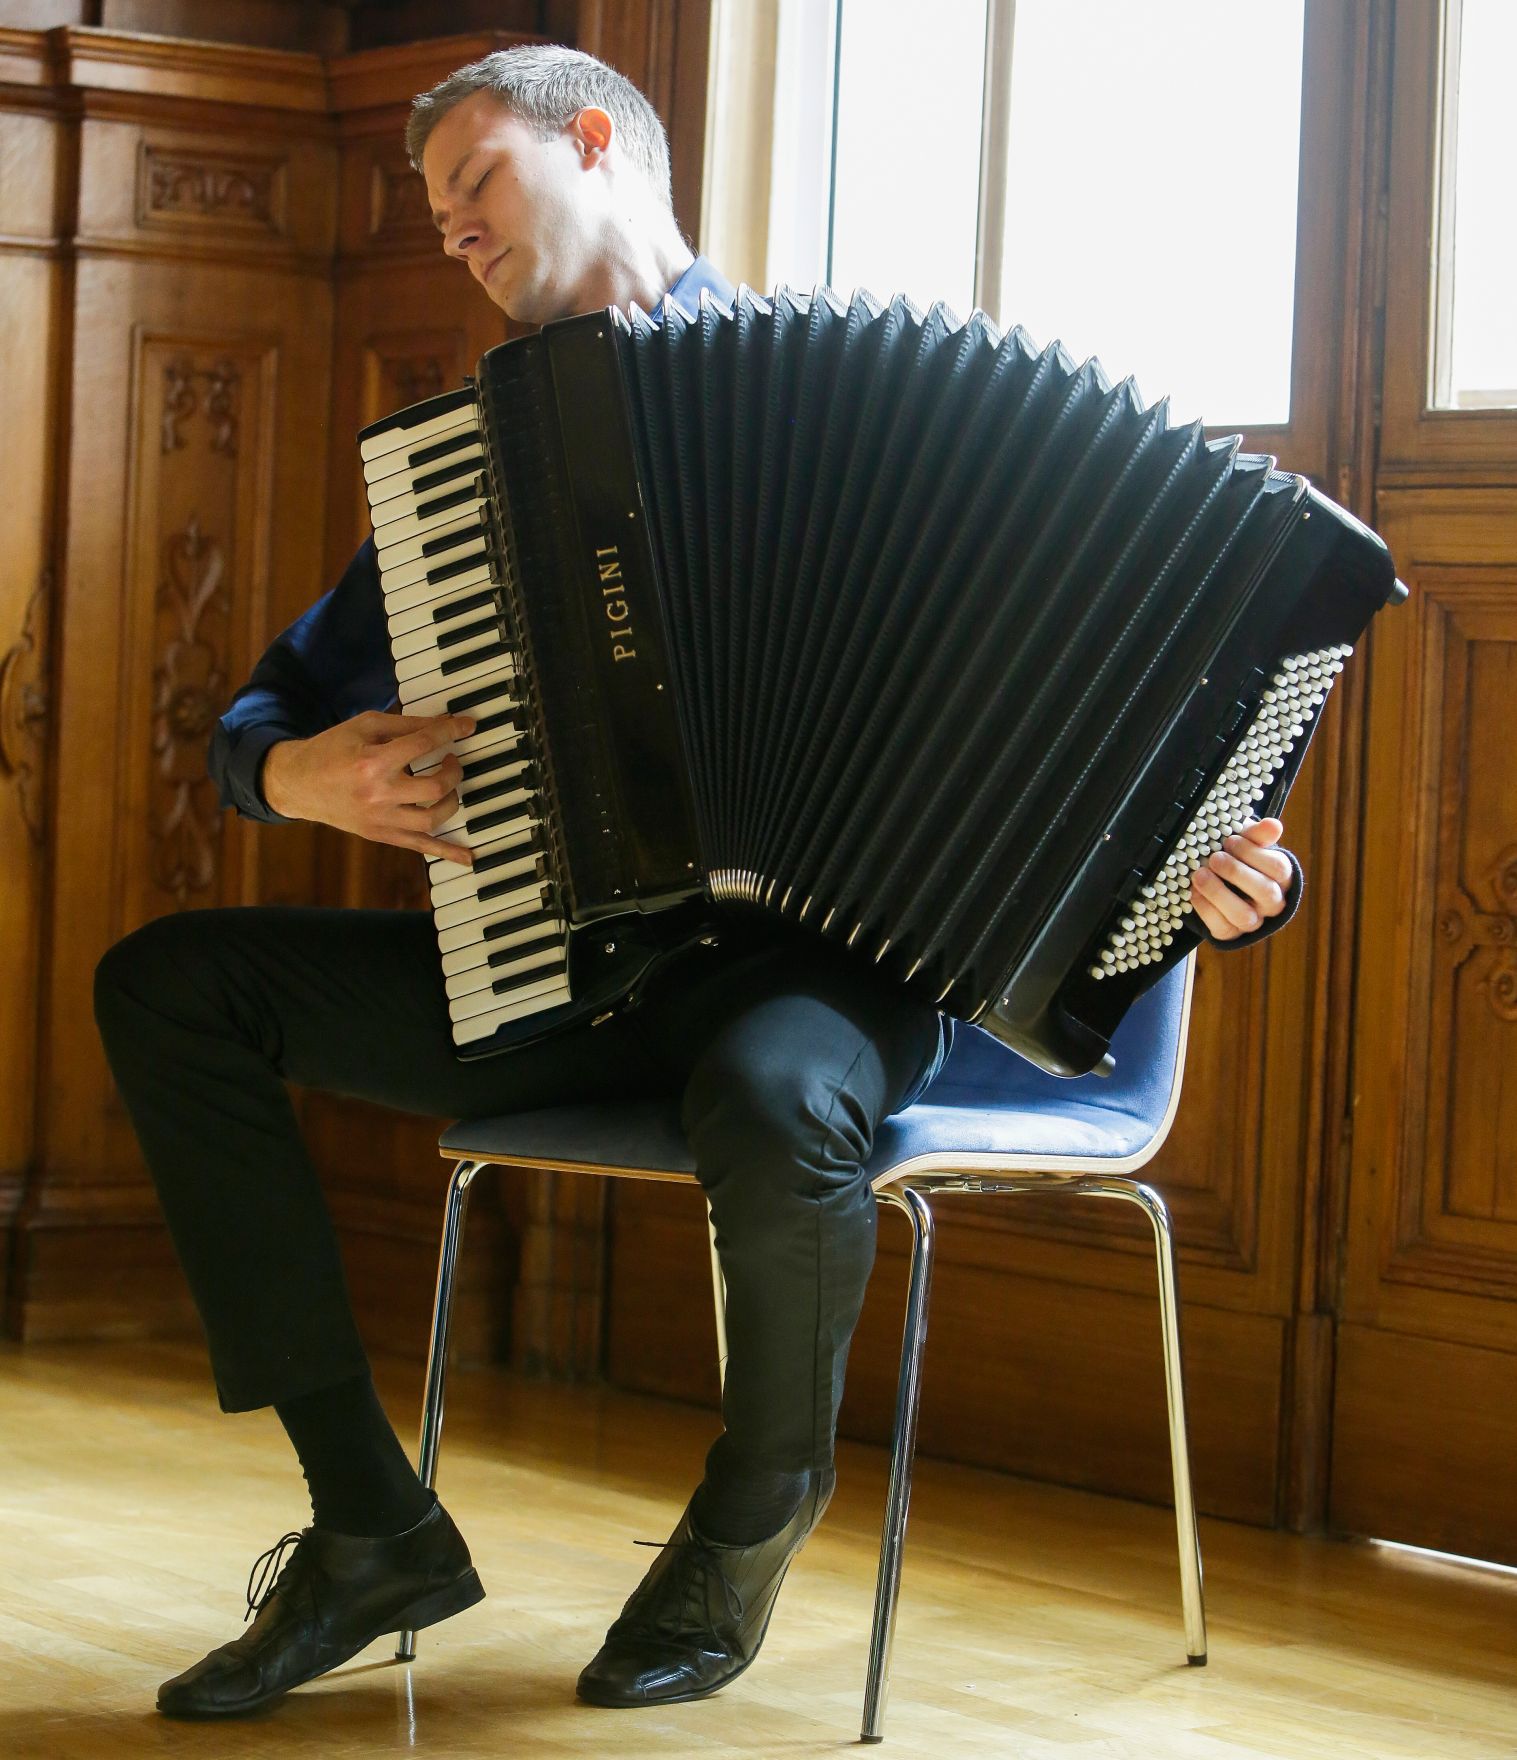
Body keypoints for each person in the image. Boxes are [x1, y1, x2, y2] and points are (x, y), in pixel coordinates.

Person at [92, 44, 1304, 1722]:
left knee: (771, 1086)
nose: (447, 231)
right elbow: (268, 709)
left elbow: (1151, 719)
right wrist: (299, 775)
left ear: (596, 141)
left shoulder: (883, 404)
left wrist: (1236, 871)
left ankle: (750, 1513)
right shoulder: (482, 468)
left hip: (831, 988)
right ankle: (366, 1523)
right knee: (168, 982)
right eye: (429, 210)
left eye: (475, 185)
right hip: (559, 971)